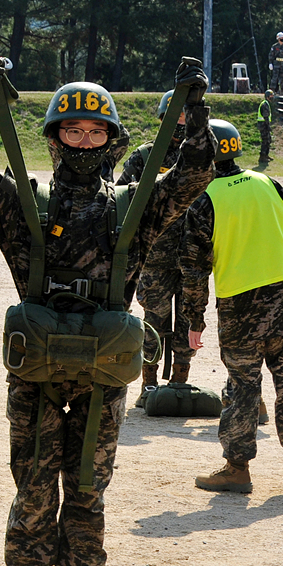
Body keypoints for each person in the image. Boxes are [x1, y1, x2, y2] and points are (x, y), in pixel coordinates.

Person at [0, 47, 214, 566]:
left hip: (102, 377)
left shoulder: (134, 207)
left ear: (112, 139)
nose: (85, 139)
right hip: (37, 374)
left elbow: (197, 172)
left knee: (88, 490)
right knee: (34, 489)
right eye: (73, 128)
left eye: (96, 130)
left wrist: (194, 111)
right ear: (55, 136)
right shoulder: (24, 204)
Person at [181, 119, 283, 494]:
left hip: (239, 309)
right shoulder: (269, 184)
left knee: (243, 387)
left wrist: (195, 319)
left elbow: (193, 269)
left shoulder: (205, 200)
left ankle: (238, 469)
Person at [117, 91, 193, 403]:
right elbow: (121, 195)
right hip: (154, 257)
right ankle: (148, 383)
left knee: (188, 321)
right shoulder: (144, 157)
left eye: (184, 119)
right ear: (161, 119)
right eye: (173, 119)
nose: (178, 125)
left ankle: (180, 380)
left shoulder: (200, 158)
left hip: (192, 257)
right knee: (153, 321)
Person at [257, 90, 274, 169]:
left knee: (268, 140)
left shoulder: (266, 103)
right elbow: (265, 116)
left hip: (265, 125)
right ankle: (262, 157)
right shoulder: (264, 104)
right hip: (264, 125)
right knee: (265, 141)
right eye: (271, 95)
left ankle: (266, 155)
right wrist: (268, 126)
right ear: (268, 96)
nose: (272, 97)